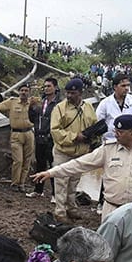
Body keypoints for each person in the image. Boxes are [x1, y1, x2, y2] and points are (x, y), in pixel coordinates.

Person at [31, 114, 132, 221]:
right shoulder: (108, 149)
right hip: (112, 210)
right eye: (115, 131)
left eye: (120, 132)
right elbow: (80, 164)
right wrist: (51, 172)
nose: (116, 134)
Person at [50, 78, 97, 221]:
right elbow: (55, 130)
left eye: (73, 93)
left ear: (80, 93)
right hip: (63, 152)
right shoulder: (59, 108)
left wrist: (93, 137)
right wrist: (75, 136)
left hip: (81, 153)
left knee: (74, 183)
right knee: (61, 183)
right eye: (68, 93)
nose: (69, 96)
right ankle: (60, 212)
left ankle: (71, 207)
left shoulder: (88, 107)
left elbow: (93, 124)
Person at [0, 84, 37, 193]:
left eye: (26, 90)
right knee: (18, 160)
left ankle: (22, 183)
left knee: (27, 161)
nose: (24, 92)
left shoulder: (33, 103)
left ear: (29, 92)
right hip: (16, 134)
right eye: (22, 90)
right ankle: (14, 183)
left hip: (29, 133)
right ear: (19, 92)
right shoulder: (12, 102)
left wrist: (34, 105)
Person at [29, 78, 60, 197]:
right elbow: (33, 119)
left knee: (53, 165)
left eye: (49, 86)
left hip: (51, 138)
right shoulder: (41, 102)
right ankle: (38, 190)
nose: (46, 88)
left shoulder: (58, 103)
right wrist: (31, 108)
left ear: (55, 87)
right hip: (39, 137)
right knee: (40, 164)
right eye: (45, 86)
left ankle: (55, 194)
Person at [94, 73, 132, 141]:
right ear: (115, 87)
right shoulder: (105, 103)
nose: (127, 88)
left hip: (130, 143)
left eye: (128, 85)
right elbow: (97, 124)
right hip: (110, 142)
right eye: (123, 86)